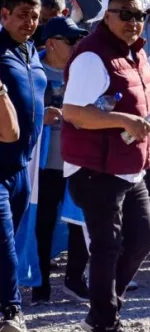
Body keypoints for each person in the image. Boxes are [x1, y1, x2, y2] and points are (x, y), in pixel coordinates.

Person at [61, 0, 150, 332]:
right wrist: (123, 120)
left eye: (139, 15)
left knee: (144, 236)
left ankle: (103, 310)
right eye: (125, 14)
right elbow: (73, 112)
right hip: (95, 168)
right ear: (107, 15)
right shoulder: (91, 56)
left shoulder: (135, 51)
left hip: (127, 166)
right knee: (107, 247)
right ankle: (104, 329)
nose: (134, 22)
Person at [33, 17, 90, 306]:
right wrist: (40, 117)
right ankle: (39, 284)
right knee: (41, 225)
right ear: (52, 43)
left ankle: (74, 280)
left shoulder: (82, 71)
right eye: (72, 40)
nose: (78, 45)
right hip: (42, 167)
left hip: (76, 161)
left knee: (79, 222)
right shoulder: (31, 70)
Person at [0, 0, 45, 332]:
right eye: (22, 15)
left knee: (11, 242)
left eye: (34, 16)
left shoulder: (30, 50)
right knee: (5, 245)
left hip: (22, 167)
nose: (29, 22)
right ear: (4, 15)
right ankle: (13, 309)